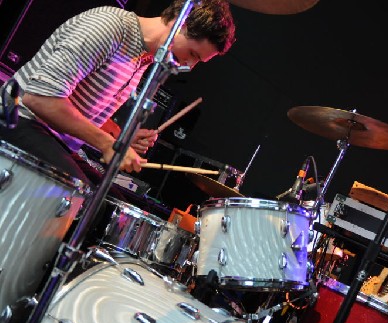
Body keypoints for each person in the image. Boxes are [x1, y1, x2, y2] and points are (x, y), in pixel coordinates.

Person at [0, 0, 235, 186]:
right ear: (179, 23)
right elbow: (40, 97)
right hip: (17, 118)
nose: (190, 66)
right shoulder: (110, 27)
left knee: (112, 204)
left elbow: (78, 112)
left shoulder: (143, 58)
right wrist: (107, 145)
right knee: (81, 197)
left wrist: (121, 139)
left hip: (53, 138)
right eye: (193, 54)